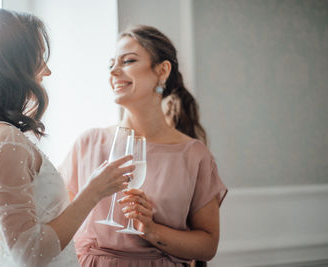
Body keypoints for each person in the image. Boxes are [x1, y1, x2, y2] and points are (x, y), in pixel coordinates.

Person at [0, 9, 134, 267]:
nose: (48, 71)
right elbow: (30, 253)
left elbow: (17, 228)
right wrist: (93, 192)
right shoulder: (4, 140)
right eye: (39, 58)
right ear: (13, 64)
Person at [59, 25, 228, 266]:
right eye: (111, 64)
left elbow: (207, 246)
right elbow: (57, 225)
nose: (114, 71)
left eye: (127, 61)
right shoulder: (88, 144)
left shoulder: (194, 155)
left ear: (162, 70)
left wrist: (150, 229)